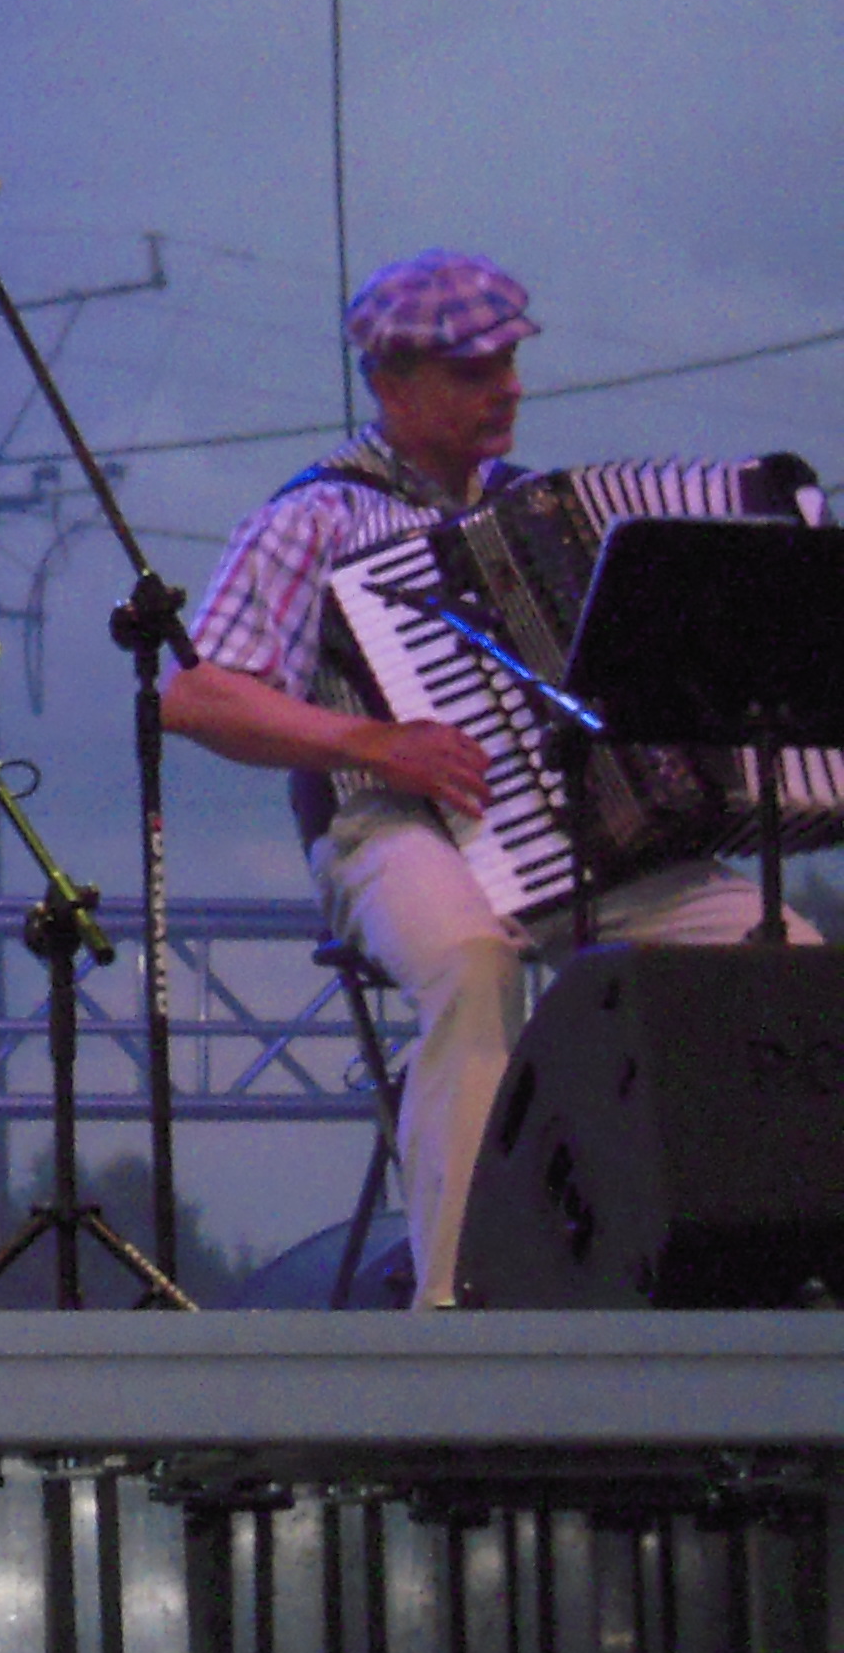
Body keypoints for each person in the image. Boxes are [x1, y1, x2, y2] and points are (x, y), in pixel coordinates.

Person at [165, 248, 812, 1306]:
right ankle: (460, 1308)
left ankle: (756, 1274)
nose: (507, 387)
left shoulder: (547, 512)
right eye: (474, 370)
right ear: (391, 383)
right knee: (471, 963)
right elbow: (197, 695)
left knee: (775, 950)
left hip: (575, 834)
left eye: (509, 362)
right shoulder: (315, 517)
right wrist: (374, 742)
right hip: (389, 824)